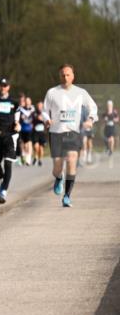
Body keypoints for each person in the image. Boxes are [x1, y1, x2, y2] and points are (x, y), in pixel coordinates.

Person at [44, 64, 98, 207]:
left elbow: (93, 107)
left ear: (73, 76)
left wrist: (90, 119)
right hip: (56, 132)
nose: (65, 77)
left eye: (68, 74)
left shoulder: (81, 93)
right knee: (57, 165)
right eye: (62, 74)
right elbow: (44, 110)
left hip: (73, 132)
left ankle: (67, 196)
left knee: (72, 159)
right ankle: (58, 177)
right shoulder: (52, 92)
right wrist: (47, 119)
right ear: (59, 76)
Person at [18, 96, 35, 166]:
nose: (27, 102)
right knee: (23, 144)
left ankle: (28, 158)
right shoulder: (21, 109)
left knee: (29, 143)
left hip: (29, 129)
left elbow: (36, 117)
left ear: (30, 101)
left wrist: (33, 123)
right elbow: (19, 118)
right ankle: (23, 154)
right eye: (26, 101)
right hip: (22, 129)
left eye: (29, 100)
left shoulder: (33, 109)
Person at [33, 100, 49, 166]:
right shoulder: (34, 113)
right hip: (36, 132)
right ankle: (36, 156)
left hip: (42, 132)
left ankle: (40, 160)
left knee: (41, 147)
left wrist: (44, 121)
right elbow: (33, 119)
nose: (39, 107)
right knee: (36, 146)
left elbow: (48, 122)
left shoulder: (45, 113)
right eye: (38, 106)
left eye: (40, 106)